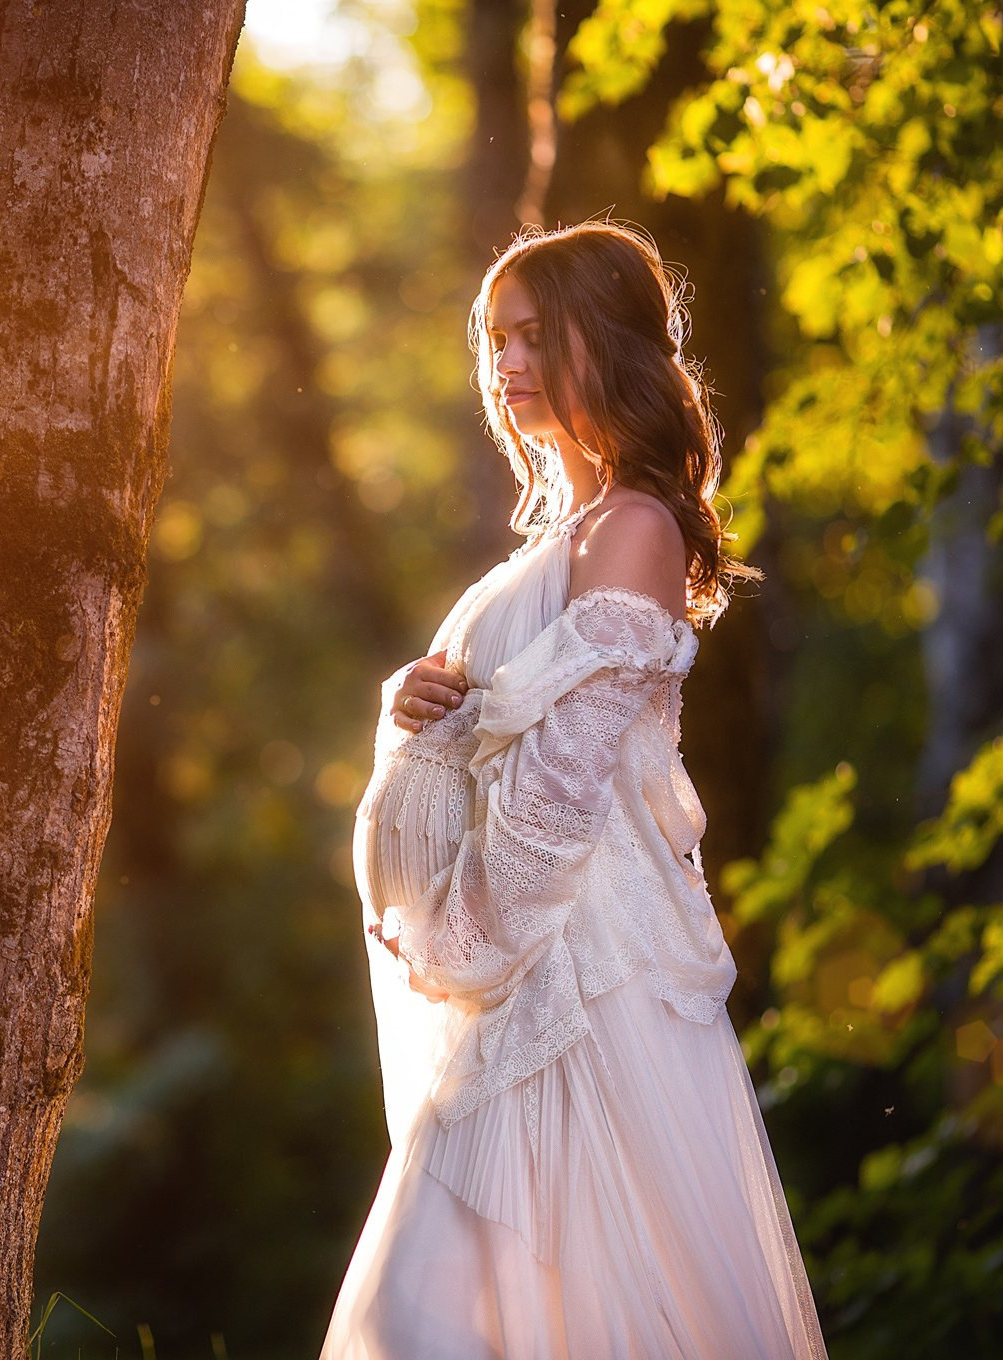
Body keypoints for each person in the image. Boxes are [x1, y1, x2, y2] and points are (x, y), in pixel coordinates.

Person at [319, 221, 830, 1359]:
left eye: (536, 337)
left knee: (460, 1312)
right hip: (515, 961)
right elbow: (500, 739)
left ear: (605, 339)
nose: (507, 364)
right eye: (498, 339)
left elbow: (559, 794)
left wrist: (464, 946)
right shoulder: (562, 539)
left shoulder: (635, 528)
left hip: (573, 979)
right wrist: (412, 706)